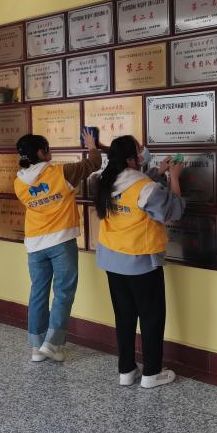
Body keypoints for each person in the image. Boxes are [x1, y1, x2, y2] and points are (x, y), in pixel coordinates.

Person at [90, 136, 186, 388]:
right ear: (132, 159)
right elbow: (173, 210)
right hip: (141, 261)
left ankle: (126, 370)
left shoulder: (103, 180)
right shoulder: (145, 187)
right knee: (151, 318)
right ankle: (151, 373)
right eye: (140, 151)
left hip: (112, 260)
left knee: (124, 317)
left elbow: (135, 187)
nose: (144, 153)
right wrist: (174, 177)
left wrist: (158, 173)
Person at [14, 129, 102, 362]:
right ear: (41, 152)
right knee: (63, 291)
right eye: (47, 148)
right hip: (61, 241)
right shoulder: (63, 172)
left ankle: (37, 346)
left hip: (35, 244)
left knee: (38, 292)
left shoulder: (19, 183)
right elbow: (94, 163)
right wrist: (92, 145)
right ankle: (53, 344)